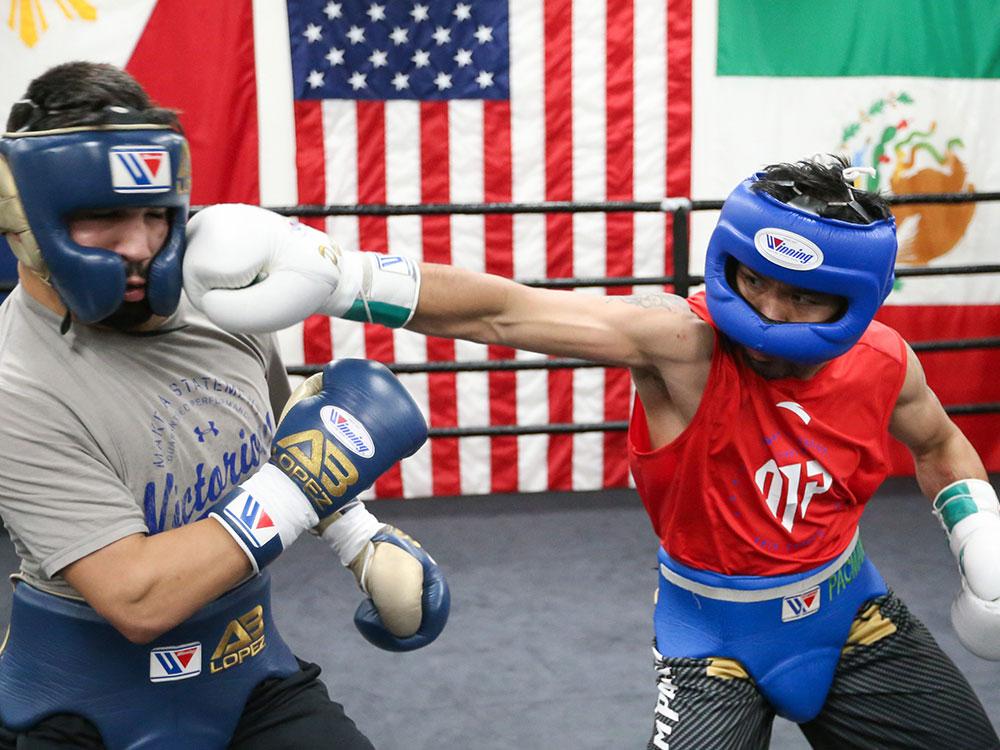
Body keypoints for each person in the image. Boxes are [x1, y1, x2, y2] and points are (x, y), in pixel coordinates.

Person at [186, 155, 1000, 748]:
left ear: (854, 300)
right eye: (755, 279)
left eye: (800, 295)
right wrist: (343, 275)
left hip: (852, 616)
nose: (768, 306)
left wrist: (978, 533)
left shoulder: (887, 363)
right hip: (711, 641)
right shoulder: (683, 345)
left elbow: (940, 445)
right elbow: (506, 313)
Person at [0, 61, 449, 749]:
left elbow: (285, 443)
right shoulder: (13, 379)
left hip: (245, 666)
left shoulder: (219, 293)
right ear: (25, 216)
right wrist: (308, 481)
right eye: (103, 218)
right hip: (74, 698)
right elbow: (138, 597)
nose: (141, 248)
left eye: (156, 215)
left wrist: (359, 539)